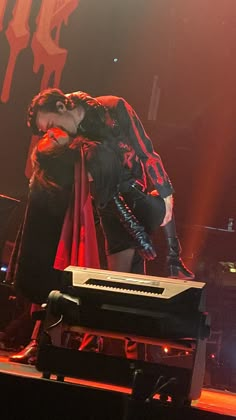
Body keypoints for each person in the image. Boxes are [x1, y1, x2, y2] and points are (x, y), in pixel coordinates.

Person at [8, 88, 194, 363]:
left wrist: (165, 194)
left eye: (50, 125)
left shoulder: (114, 108)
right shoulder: (66, 137)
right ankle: (43, 342)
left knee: (124, 285)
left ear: (62, 106)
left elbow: (146, 151)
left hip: (126, 204)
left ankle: (130, 360)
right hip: (88, 210)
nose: (51, 132)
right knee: (64, 274)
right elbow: (46, 159)